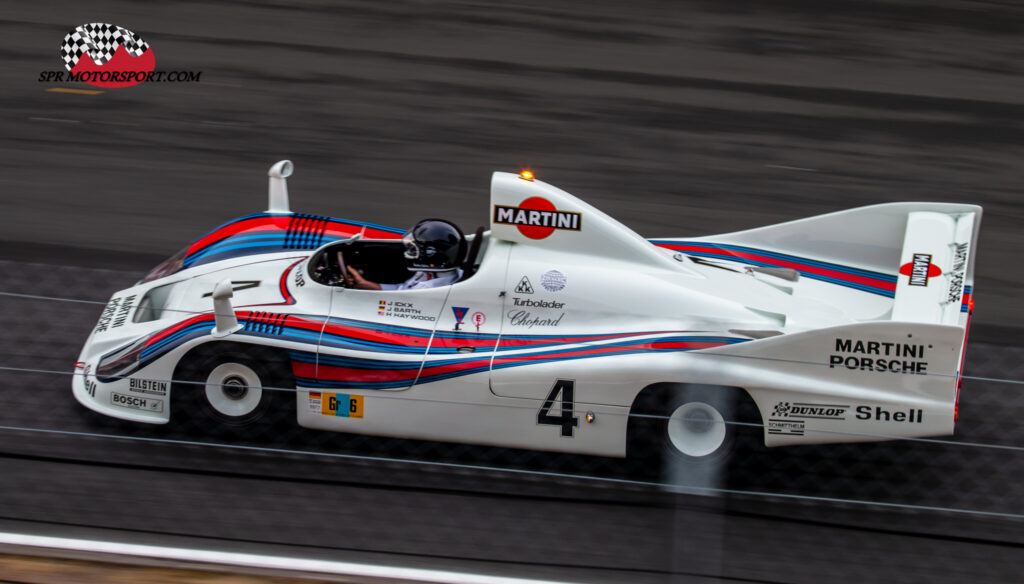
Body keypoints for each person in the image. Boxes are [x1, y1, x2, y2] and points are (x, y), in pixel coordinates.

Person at [345, 219, 466, 290]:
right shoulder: (436, 273)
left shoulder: (425, 289)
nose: (408, 253)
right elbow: (401, 289)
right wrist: (365, 284)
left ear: (431, 254)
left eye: (413, 250)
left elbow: (394, 301)